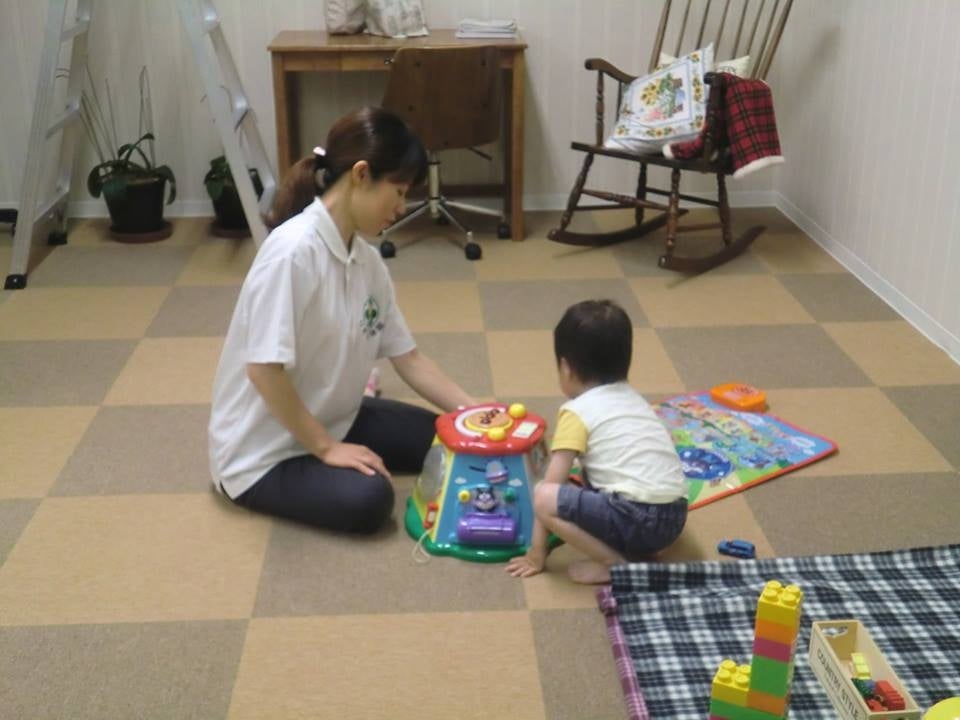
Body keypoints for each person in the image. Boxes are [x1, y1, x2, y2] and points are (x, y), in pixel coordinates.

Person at [208, 107, 475, 534]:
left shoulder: (367, 262)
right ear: (361, 174)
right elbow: (262, 370)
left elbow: (410, 360)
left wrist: (478, 416)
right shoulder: (291, 253)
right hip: (262, 453)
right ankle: (318, 453)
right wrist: (327, 447)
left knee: (445, 438)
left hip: (334, 414)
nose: (403, 207)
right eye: (400, 190)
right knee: (370, 501)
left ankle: (340, 437)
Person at [505, 300, 688, 584]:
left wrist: (536, 553)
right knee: (585, 480)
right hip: (675, 518)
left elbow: (549, 489)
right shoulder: (634, 399)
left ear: (565, 368)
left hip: (639, 519)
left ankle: (615, 565)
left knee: (543, 495)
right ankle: (641, 547)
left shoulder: (576, 412)